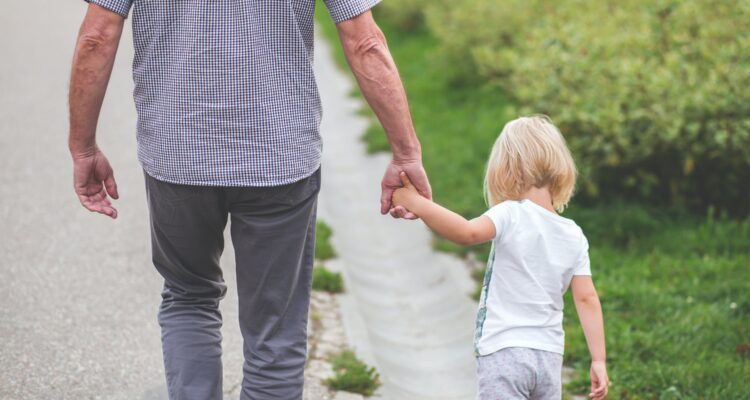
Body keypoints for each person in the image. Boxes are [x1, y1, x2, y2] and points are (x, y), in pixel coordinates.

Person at [67, 1, 430, 399]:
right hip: (279, 156)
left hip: (178, 154)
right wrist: (405, 152)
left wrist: (83, 147)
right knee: (276, 330)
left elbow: (96, 37)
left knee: (189, 297)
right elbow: (365, 42)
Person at [392, 116, 609, 400]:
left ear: (507, 168)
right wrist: (599, 360)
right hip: (549, 357)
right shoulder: (573, 234)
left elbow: (466, 233)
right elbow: (587, 298)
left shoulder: (510, 213)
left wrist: (415, 202)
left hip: (504, 351)